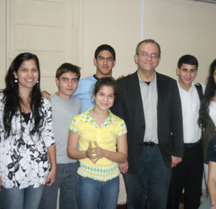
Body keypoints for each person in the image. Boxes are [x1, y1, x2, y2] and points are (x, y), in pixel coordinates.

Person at [111, 39, 184, 209]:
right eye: (144, 54)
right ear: (136, 57)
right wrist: (120, 155)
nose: (149, 58)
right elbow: (116, 123)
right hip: (132, 154)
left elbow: (177, 119)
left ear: (159, 59)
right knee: (134, 202)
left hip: (161, 155)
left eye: (153, 55)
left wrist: (177, 151)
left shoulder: (170, 84)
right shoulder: (122, 86)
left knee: (158, 202)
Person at [0, 53, 56, 209]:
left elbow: (48, 136)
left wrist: (53, 167)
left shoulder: (44, 102)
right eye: (25, 70)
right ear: (15, 73)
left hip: (38, 169)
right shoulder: (2, 101)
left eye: (34, 70)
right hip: (10, 170)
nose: (30, 74)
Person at [67, 77, 127, 209]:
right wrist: (86, 153)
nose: (105, 100)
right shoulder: (78, 120)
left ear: (114, 98)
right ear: (94, 95)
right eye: (101, 94)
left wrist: (104, 152)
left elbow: (123, 156)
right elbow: (71, 151)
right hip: (87, 180)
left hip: (112, 181)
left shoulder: (119, 123)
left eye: (110, 96)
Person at [39, 63, 82, 209]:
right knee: (46, 205)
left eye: (74, 80)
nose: (70, 84)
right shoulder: (46, 101)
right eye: (65, 79)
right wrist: (41, 92)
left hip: (73, 164)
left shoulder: (78, 103)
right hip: (51, 164)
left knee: (71, 205)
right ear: (57, 81)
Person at [167, 55, 204, 209]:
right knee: (173, 193)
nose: (188, 74)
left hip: (196, 150)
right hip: (176, 150)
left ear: (196, 72)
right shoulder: (169, 91)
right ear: (178, 70)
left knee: (194, 193)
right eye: (184, 70)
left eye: (192, 70)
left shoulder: (202, 89)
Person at [42, 44, 116, 113]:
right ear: (95, 61)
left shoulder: (117, 85)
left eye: (109, 59)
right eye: (101, 58)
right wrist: (46, 95)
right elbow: (61, 97)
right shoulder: (81, 83)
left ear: (114, 63)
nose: (105, 63)